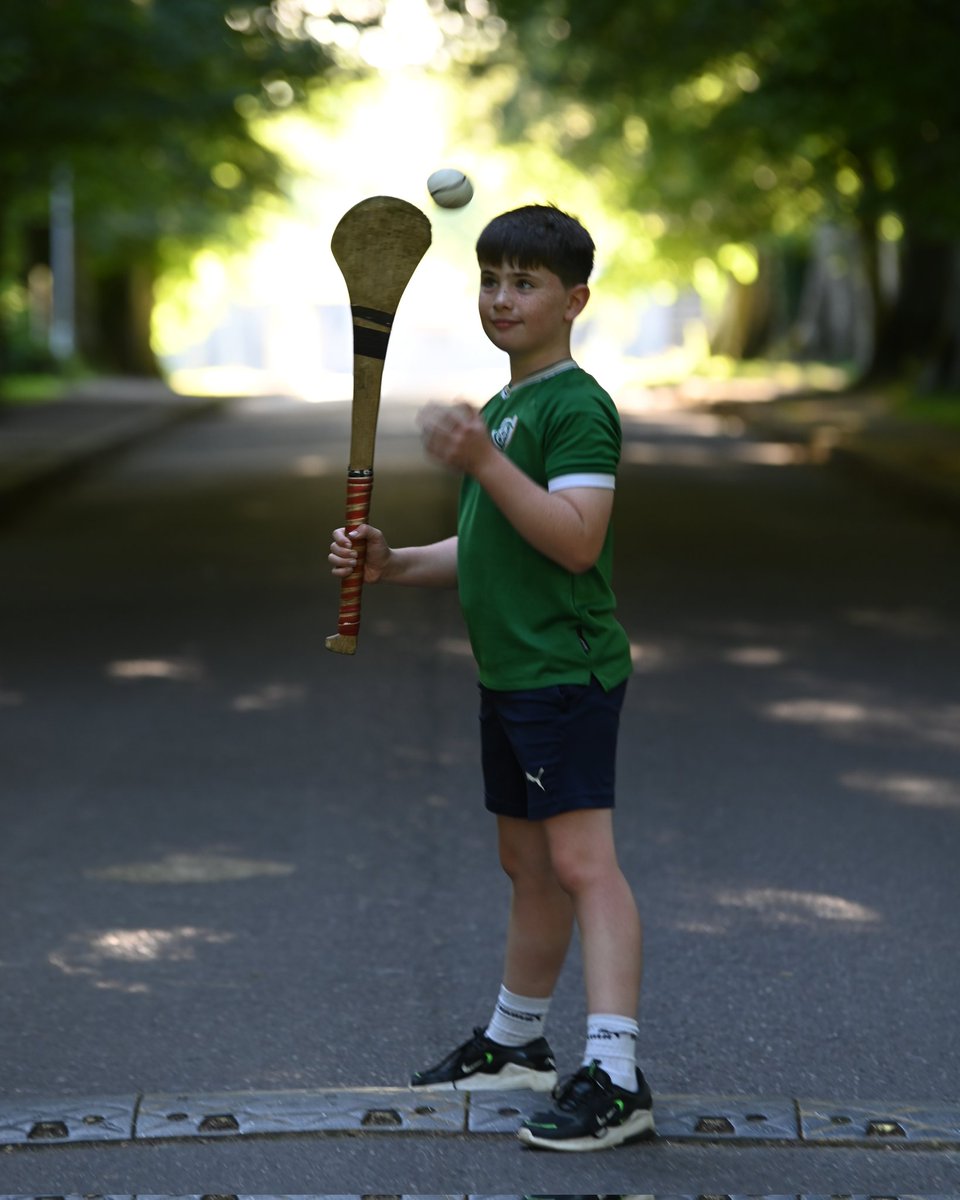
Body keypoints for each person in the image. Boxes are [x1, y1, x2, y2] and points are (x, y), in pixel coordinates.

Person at [329, 204, 654, 1152]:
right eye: (492, 279)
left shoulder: (573, 404)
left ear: (574, 299)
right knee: (527, 865)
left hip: (565, 673)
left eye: (526, 283)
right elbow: (488, 551)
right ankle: (517, 1043)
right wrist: (392, 563)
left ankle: (619, 1075)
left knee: (585, 866)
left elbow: (574, 538)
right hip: (511, 674)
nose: (502, 298)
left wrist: (480, 459)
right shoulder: (507, 405)